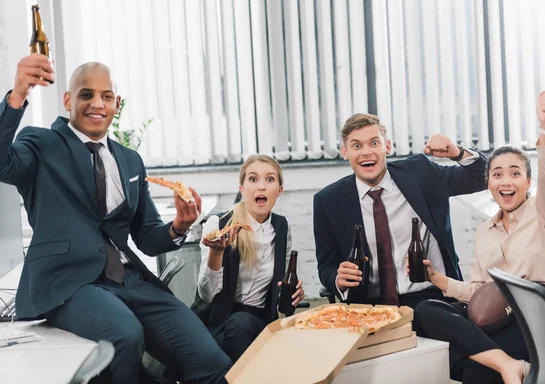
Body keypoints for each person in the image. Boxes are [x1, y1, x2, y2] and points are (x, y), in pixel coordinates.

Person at [0, 55, 231, 384]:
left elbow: (147, 236)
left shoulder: (129, 160)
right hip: (69, 283)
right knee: (125, 335)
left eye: (106, 96)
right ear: (68, 100)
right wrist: (17, 95)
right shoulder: (41, 145)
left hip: (130, 280)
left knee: (211, 361)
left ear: (116, 104)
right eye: (86, 94)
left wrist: (179, 226)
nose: (97, 104)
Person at [415, 91, 545, 384]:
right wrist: (438, 280)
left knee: (470, 367)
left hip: (538, 312)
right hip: (497, 313)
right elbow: (479, 293)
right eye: (497, 174)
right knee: (425, 310)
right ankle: (510, 365)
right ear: (489, 183)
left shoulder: (544, 211)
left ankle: (503, 365)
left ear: (528, 181)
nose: (506, 181)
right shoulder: (484, 232)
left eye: (515, 173)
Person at [314, 113, 488, 309]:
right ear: (345, 152)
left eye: (374, 143)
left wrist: (458, 153)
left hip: (431, 296)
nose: (366, 152)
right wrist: (338, 279)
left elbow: (484, 177)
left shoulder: (420, 173)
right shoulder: (328, 201)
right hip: (368, 307)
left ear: (387, 147)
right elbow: (326, 267)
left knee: (433, 318)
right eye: (356, 146)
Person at [191, 155, 304, 363]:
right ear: (242, 188)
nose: (261, 187)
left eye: (270, 180)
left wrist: (293, 292)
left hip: (260, 319)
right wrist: (216, 254)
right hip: (219, 320)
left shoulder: (281, 227)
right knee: (238, 326)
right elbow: (206, 296)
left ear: (279, 190)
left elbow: (280, 288)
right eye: (253, 179)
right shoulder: (218, 224)